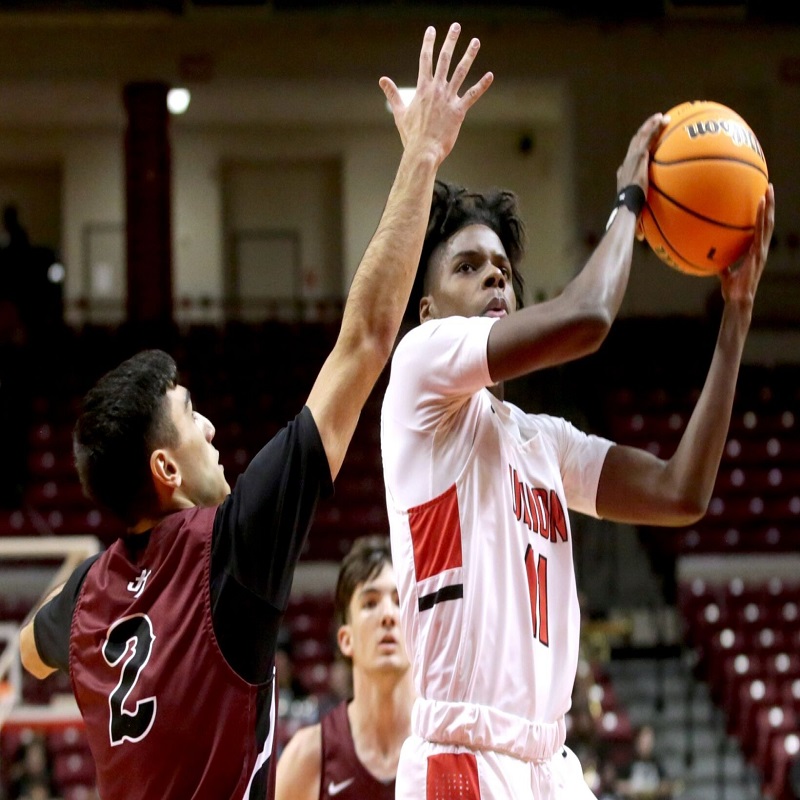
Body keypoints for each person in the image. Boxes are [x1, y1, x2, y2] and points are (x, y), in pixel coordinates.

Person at [17, 22, 493, 800]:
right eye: (190, 414)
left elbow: (35, 654)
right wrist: (423, 154)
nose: (211, 428)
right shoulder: (228, 545)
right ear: (164, 469)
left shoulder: (87, 600)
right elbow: (368, 340)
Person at [380, 116, 775, 798]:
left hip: (551, 763)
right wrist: (629, 200)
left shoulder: (544, 441)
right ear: (426, 310)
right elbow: (589, 316)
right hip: (463, 756)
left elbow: (681, 493)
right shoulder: (419, 368)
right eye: (468, 268)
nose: (495, 282)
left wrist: (734, 318)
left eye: (503, 270)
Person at [275, 535, 413, 800]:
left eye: (400, 601)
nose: (388, 615)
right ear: (345, 639)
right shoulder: (308, 756)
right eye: (370, 602)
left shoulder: (446, 745)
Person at [616, 724, 675, 800]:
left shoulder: (656, 764)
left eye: (649, 741)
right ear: (637, 741)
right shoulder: (628, 763)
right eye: (644, 740)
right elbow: (618, 785)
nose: (647, 745)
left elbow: (665, 784)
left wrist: (661, 789)